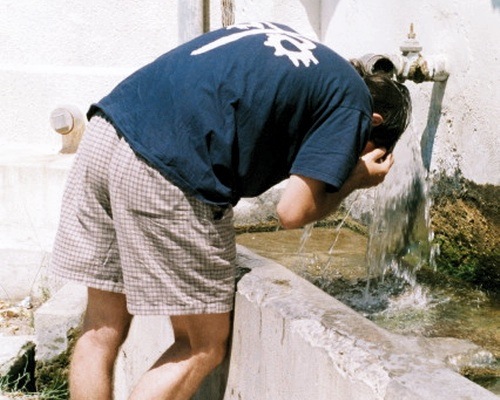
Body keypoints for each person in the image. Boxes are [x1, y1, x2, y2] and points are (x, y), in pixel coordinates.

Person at [50, 22, 411, 400]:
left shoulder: (305, 57)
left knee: (101, 327)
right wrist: (355, 178)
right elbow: (292, 212)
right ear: (373, 123)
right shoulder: (354, 104)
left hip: (107, 130)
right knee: (201, 346)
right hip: (166, 163)